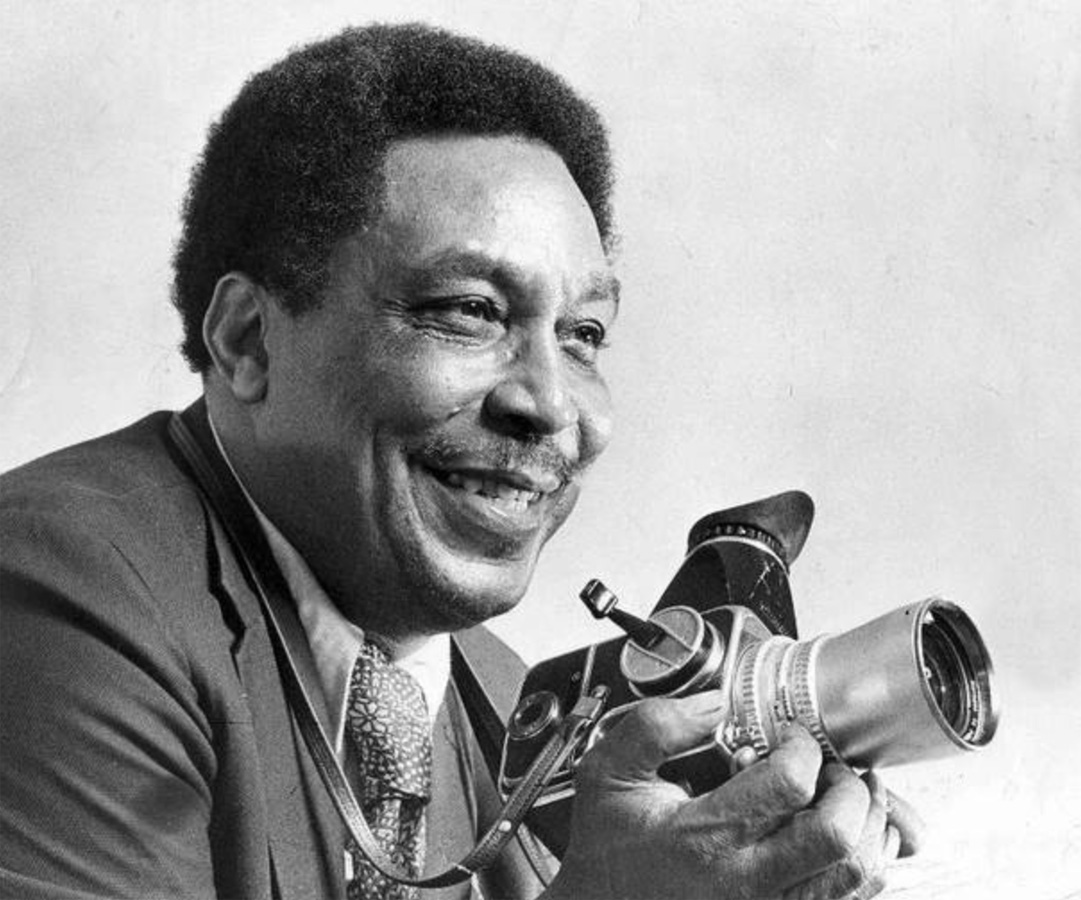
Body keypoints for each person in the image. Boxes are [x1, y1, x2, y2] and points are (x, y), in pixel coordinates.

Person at [0, 22, 921, 900]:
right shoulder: (59, 587)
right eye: (470, 311)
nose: (553, 404)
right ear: (248, 341)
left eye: (583, 333)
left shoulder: (501, 693)